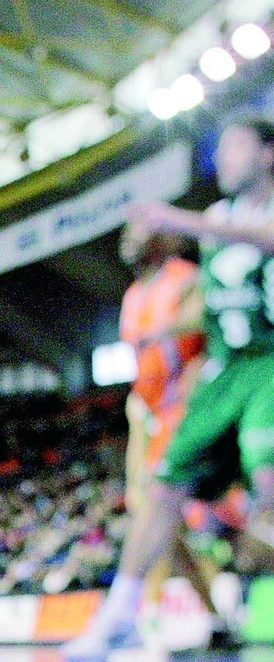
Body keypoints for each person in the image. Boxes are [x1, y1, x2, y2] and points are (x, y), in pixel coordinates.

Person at [66, 117, 274, 656]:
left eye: (235, 146)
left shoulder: (218, 227)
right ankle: (119, 616)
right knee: (160, 493)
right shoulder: (215, 224)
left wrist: (180, 220)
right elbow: (213, 298)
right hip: (221, 376)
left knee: (264, 496)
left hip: (268, 364)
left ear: (268, 155)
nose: (223, 158)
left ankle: (220, 603)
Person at [117, 223, 219, 616]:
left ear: (161, 240)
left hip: (192, 410)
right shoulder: (131, 296)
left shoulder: (186, 278)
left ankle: (132, 614)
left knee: (237, 524)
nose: (127, 240)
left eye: (136, 233)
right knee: (160, 525)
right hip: (153, 413)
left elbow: (205, 330)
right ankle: (215, 616)